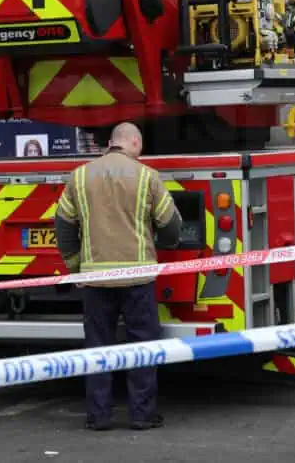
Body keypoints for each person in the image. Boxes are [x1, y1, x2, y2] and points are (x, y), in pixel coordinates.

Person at [53, 122, 182, 431]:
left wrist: (75, 267)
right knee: (142, 346)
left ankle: (98, 416)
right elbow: (170, 224)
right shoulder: (146, 176)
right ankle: (142, 414)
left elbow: (63, 227)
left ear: (111, 143)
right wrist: (163, 245)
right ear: (134, 143)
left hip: (96, 280)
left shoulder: (80, 176)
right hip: (137, 278)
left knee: (98, 347)